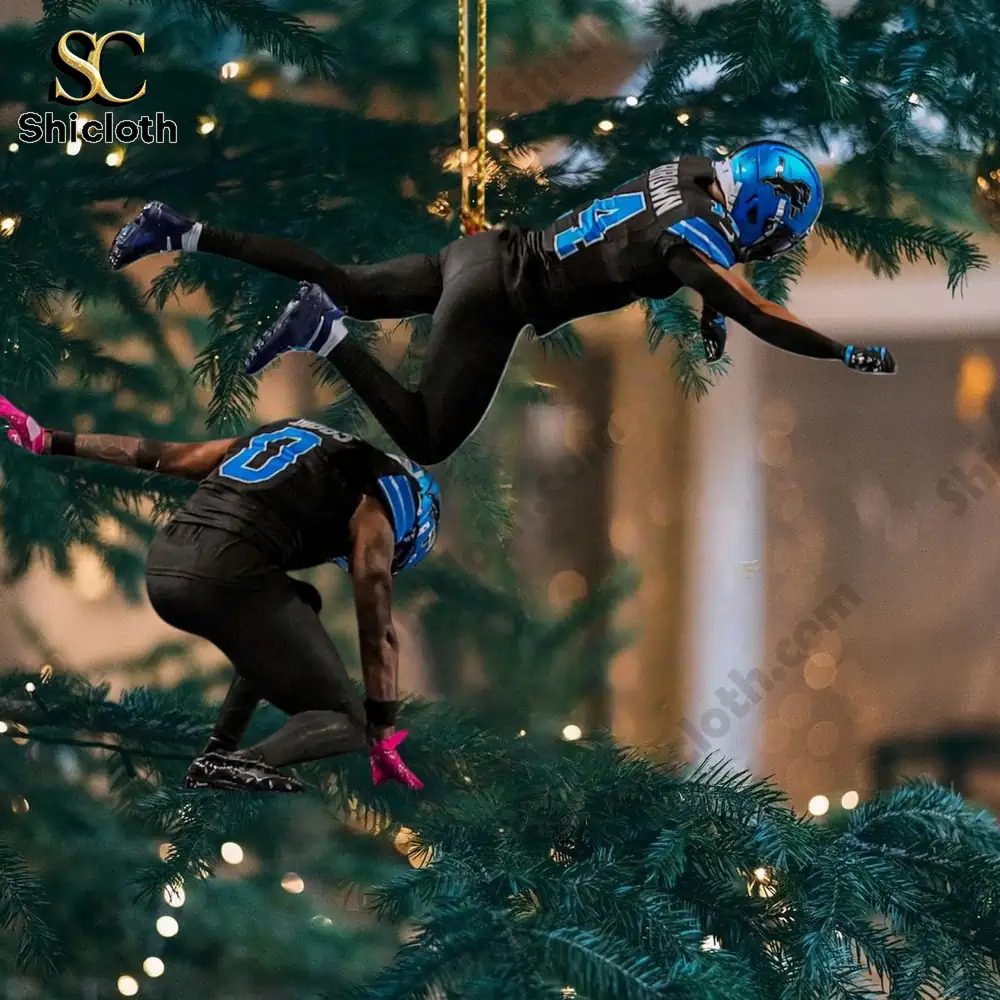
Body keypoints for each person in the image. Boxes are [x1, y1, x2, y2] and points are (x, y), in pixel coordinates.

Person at [108, 140, 896, 466]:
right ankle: (324, 335)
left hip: (485, 252)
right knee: (427, 439)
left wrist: (711, 312)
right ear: (760, 213)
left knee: (346, 277)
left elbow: (708, 271)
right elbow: (755, 304)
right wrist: (843, 351)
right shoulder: (690, 246)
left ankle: (181, 231)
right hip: (498, 296)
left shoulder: (689, 171)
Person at [0, 394, 439, 794]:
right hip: (224, 577)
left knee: (297, 604)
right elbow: (377, 626)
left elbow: (163, 455)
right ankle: (240, 761)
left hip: (166, 565)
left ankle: (218, 749)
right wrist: (381, 728)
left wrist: (51, 440)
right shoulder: (378, 503)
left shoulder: (291, 438)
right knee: (346, 722)